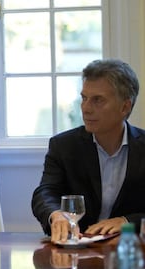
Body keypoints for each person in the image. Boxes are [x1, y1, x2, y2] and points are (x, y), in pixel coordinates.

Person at [32, 59, 145, 244]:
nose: (85, 108)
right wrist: (56, 214)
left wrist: (127, 222)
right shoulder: (64, 146)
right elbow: (45, 192)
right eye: (84, 98)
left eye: (97, 100)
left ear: (125, 106)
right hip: (77, 250)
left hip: (130, 252)